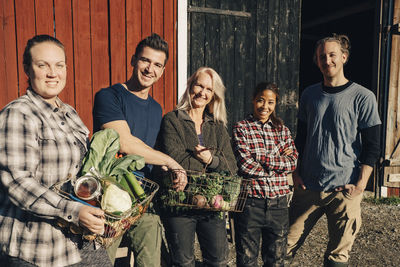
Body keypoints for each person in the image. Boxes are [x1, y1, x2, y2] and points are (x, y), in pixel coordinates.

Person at [0, 35, 112, 266]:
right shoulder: (18, 113)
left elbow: (81, 173)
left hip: (78, 238)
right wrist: (73, 210)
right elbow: (18, 182)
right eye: (43, 65)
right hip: (34, 247)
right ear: (27, 70)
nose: (53, 73)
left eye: (59, 65)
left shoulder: (69, 113)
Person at [286, 34, 381, 267]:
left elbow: (373, 145)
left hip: (344, 190)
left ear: (344, 57)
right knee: (283, 247)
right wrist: (295, 174)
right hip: (308, 185)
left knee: (337, 257)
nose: (327, 60)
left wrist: (360, 184)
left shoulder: (363, 97)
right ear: (317, 61)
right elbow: (301, 139)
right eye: (322, 56)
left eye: (332, 55)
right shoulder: (309, 95)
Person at [93, 33, 187, 267]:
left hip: (142, 200)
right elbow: (125, 143)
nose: (149, 69)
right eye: (145, 61)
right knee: (102, 262)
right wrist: (172, 161)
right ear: (134, 60)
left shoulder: (156, 109)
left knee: (151, 263)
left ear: (163, 71)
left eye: (157, 65)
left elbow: (149, 156)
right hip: (109, 200)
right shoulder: (109, 96)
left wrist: (169, 173)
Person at [156, 67, 238, 266]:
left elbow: (231, 165)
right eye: (199, 85)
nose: (202, 92)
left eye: (209, 89)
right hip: (180, 202)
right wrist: (212, 165)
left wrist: (211, 160)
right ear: (190, 86)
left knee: (218, 260)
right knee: (183, 261)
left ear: (213, 95)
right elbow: (175, 157)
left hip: (211, 204)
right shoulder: (172, 120)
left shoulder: (217, 126)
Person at [232, 82, 298, 267]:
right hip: (251, 203)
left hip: (279, 204)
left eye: (270, 102)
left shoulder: (282, 130)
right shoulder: (241, 128)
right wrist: (277, 163)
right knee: (246, 259)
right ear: (253, 100)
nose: (265, 106)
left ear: (275, 104)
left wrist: (261, 157)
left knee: (276, 260)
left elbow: (292, 163)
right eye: (261, 100)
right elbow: (246, 166)